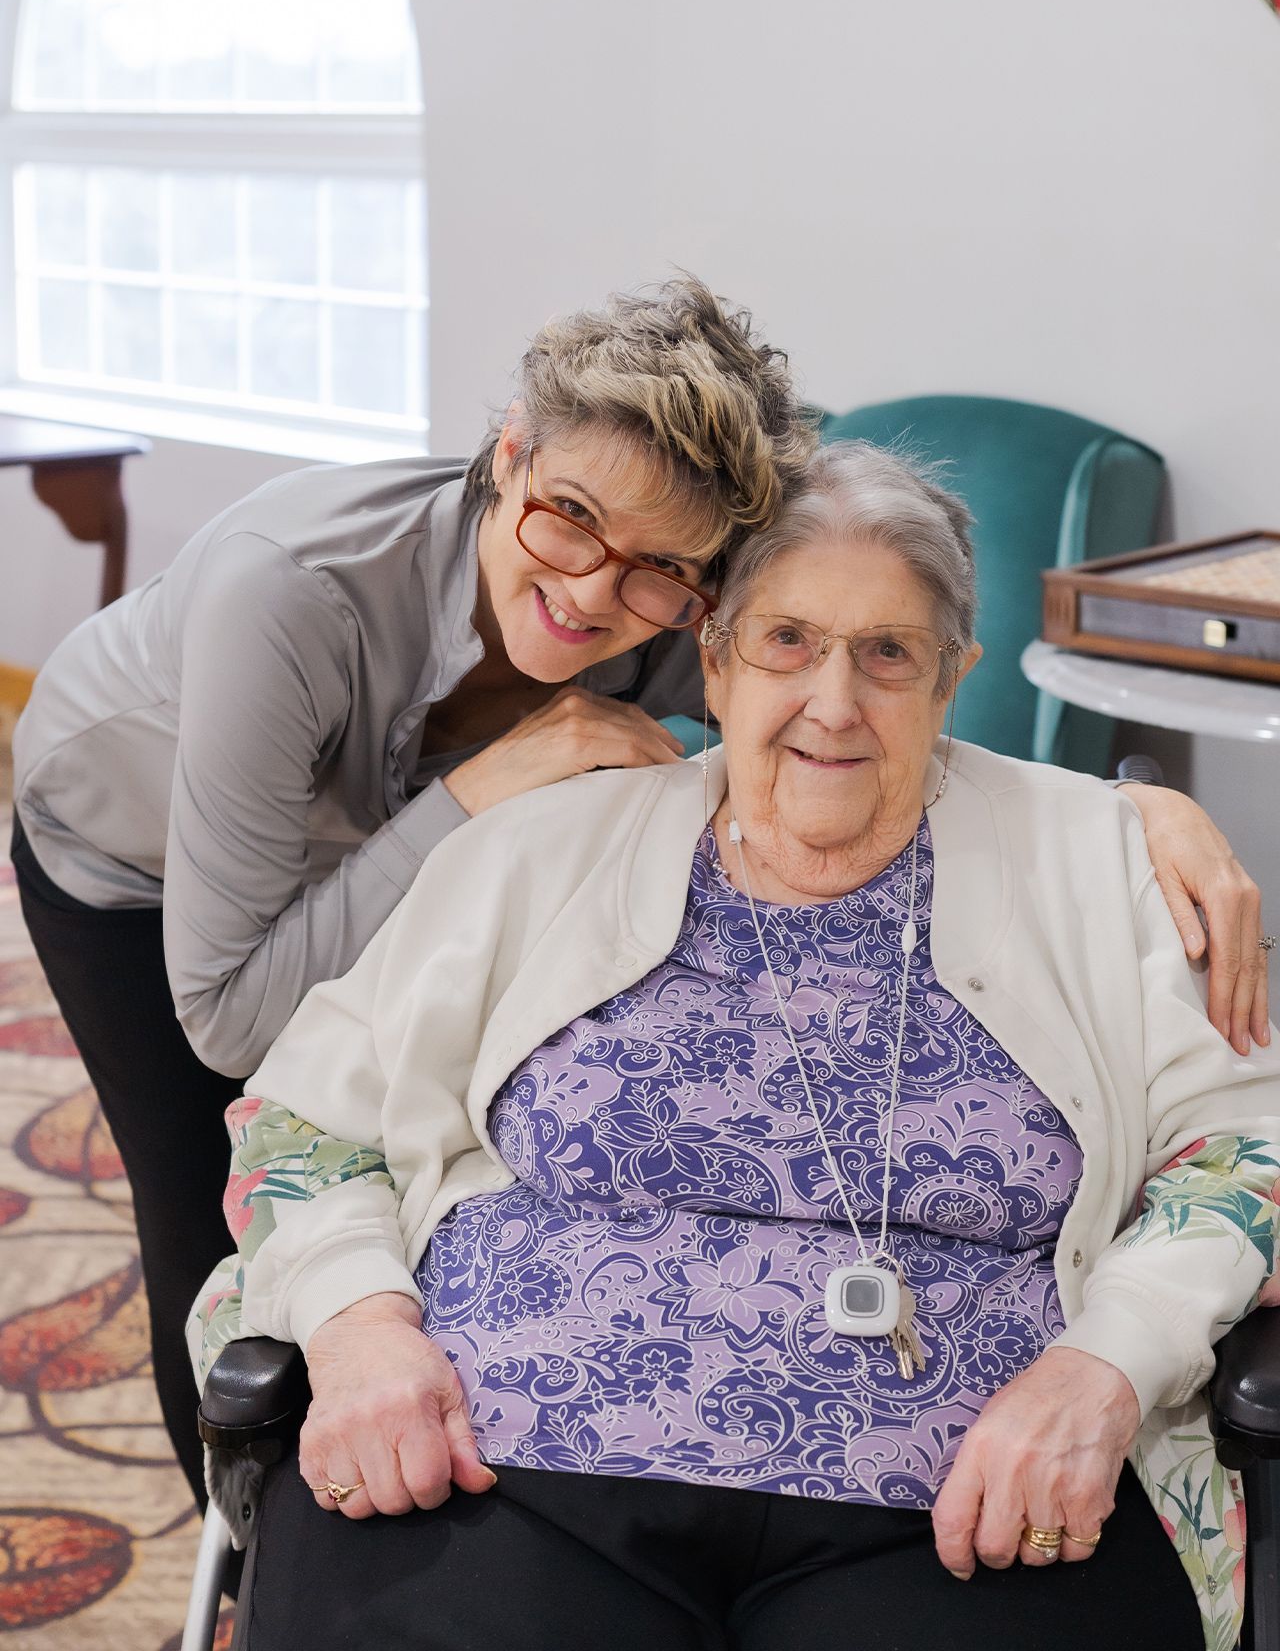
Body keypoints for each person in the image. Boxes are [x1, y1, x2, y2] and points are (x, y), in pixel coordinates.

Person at [190, 441, 1280, 1651]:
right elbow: (304, 1120)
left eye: (886, 654)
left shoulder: (1100, 863)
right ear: (711, 660)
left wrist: (1104, 1370)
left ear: (949, 679)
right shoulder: (541, 849)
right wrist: (359, 1328)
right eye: (786, 642)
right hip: (500, 1461)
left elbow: (1242, 1155)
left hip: (965, 1498)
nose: (833, 701)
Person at [9, 277, 815, 1504]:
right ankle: (246, 1572)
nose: (596, 592)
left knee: (417, 1154)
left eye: (658, 566)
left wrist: (1138, 811)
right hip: (126, 858)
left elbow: (855, 715)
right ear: (507, 456)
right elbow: (232, 1019)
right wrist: (483, 787)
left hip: (365, 841)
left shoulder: (667, 608)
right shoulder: (285, 587)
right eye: (569, 517)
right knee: (214, 1204)